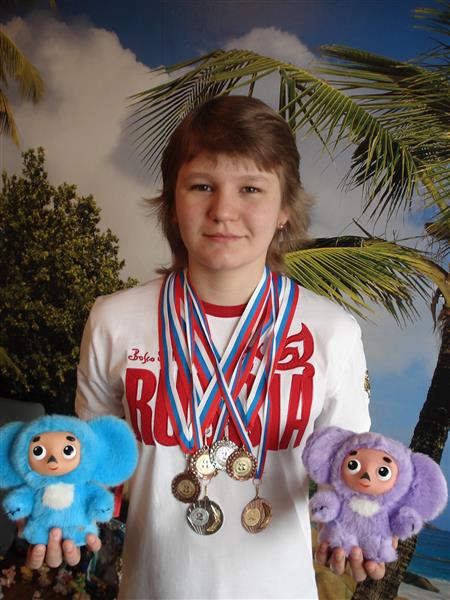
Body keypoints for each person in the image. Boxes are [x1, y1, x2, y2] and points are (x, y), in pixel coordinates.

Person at [27, 95, 386, 599]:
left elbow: (348, 475)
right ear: (173, 202)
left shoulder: (334, 332)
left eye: (251, 189)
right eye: (201, 186)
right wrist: (58, 508)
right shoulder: (112, 320)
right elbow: (93, 464)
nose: (223, 211)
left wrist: (358, 526)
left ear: (285, 208)